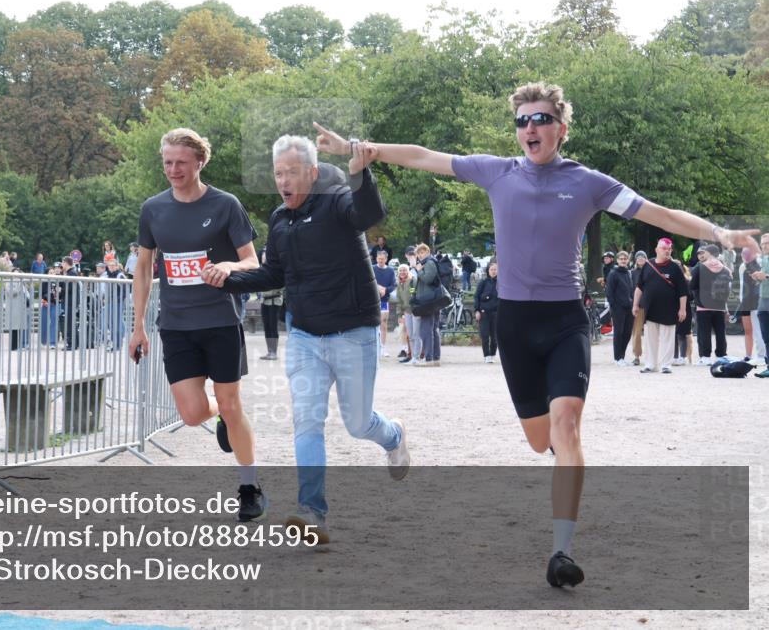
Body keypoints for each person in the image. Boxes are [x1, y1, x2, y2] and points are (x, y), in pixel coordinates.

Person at [314, 81, 761, 587]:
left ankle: (562, 552)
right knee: (539, 439)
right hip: (516, 323)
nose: (530, 127)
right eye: (522, 121)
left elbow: (660, 213)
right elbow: (426, 156)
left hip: (566, 320)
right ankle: (558, 459)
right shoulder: (497, 172)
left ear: (560, 129)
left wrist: (719, 233)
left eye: (540, 119)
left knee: (567, 427)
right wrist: (361, 150)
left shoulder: (589, 182)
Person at [214, 133, 409, 543]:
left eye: (292, 172)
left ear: (313, 173)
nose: (283, 181)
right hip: (304, 336)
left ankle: (393, 436)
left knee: (358, 424)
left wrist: (360, 174)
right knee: (307, 421)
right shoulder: (280, 220)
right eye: (278, 173)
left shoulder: (338, 201)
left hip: (353, 331)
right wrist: (229, 278)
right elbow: (273, 275)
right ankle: (312, 513)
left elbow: (368, 214)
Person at [128, 127, 266, 523]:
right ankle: (224, 415)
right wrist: (137, 326)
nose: (173, 169)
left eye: (181, 163)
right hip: (176, 324)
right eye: (167, 162)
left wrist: (228, 265)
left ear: (199, 163)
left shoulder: (226, 205)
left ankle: (249, 485)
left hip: (221, 320)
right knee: (190, 414)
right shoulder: (153, 209)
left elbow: (253, 262)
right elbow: (142, 269)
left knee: (230, 402)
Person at [633, 239, 688, 374]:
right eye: (664, 248)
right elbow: (639, 287)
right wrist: (635, 304)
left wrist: (682, 309)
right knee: (650, 338)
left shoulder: (675, 267)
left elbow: (682, 291)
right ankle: (650, 365)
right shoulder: (648, 265)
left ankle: (666, 365)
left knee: (668, 338)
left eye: (669, 249)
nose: (667, 251)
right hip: (650, 308)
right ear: (657, 250)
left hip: (669, 309)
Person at [691, 244, 732, 364]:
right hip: (719, 306)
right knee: (720, 332)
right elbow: (728, 289)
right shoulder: (725, 269)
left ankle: (705, 357)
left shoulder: (700, 267)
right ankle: (721, 355)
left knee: (704, 331)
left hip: (703, 305)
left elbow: (692, 285)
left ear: (708, 253)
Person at [412, 243, 442, 366]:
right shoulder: (428, 263)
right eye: (418, 253)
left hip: (429, 301)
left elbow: (428, 279)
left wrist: (419, 270)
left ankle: (429, 358)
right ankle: (435, 358)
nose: (420, 255)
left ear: (428, 252)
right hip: (431, 300)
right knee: (432, 329)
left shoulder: (429, 263)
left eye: (422, 252)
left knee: (426, 330)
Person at [605, 251, 635, 366]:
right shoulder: (613, 273)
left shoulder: (628, 273)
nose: (623, 260)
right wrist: (614, 306)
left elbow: (631, 290)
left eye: (625, 259)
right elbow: (609, 292)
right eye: (621, 259)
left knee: (627, 332)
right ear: (617, 260)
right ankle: (617, 358)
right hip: (618, 308)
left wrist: (632, 303)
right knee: (619, 332)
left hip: (629, 307)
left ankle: (622, 357)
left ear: (627, 260)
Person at [256, 248, 284, 361]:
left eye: (265, 255)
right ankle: (269, 351)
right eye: (262, 255)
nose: (263, 257)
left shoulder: (276, 269)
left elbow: (281, 284)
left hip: (275, 300)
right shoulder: (261, 269)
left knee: (273, 326)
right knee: (267, 326)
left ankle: (274, 352)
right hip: (265, 300)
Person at [737, 247, 761, 360]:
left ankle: (762, 355)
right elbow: (742, 285)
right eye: (743, 254)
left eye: (748, 254)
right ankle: (748, 355)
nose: (745, 256)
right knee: (748, 330)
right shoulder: (742, 266)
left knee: (759, 330)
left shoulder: (761, 263)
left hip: (758, 301)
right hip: (745, 302)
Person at [474, 261, 500, 363]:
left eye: (495, 270)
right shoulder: (483, 282)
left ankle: (492, 354)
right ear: (488, 270)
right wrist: (477, 310)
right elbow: (476, 296)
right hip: (484, 312)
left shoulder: (501, 283)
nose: (493, 272)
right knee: (485, 335)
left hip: (496, 313)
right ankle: (486, 355)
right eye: (491, 269)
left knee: (494, 337)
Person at [373, 250, 396, 358]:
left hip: (384, 300)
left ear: (386, 259)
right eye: (379, 259)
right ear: (376, 258)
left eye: (382, 259)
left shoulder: (390, 271)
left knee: (383, 323)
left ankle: (383, 347)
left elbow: (393, 286)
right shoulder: (372, 269)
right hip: (373, 301)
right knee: (374, 323)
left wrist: (385, 290)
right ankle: (375, 347)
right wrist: (378, 288)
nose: (380, 261)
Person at [393, 263, 418, 363]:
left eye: (404, 270)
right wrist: (399, 314)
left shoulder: (412, 281)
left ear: (408, 271)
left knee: (417, 334)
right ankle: (411, 355)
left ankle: (418, 355)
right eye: (400, 270)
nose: (402, 272)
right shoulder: (399, 284)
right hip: (406, 312)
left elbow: (416, 294)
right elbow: (399, 300)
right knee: (410, 335)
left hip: (415, 311)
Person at [671, 260, 694, 366]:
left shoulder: (687, 280)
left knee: (682, 334)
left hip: (685, 310)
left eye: (678, 266)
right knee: (674, 335)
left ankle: (683, 357)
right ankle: (675, 357)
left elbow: (691, 296)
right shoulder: (668, 281)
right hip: (671, 309)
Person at [629, 250, 648, 365]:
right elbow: (630, 289)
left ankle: (652, 355)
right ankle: (636, 356)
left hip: (650, 305)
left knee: (652, 332)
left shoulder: (651, 271)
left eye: (643, 257)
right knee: (636, 332)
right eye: (638, 257)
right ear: (636, 260)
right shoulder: (632, 273)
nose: (640, 259)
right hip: (638, 306)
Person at [754, 234, 769, 378]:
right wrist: (757, 278)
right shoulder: (763, 260)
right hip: (763, 301)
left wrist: (766, 276)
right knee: (766, 336)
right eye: (763, 243)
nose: (765, 246)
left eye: (767, 243)